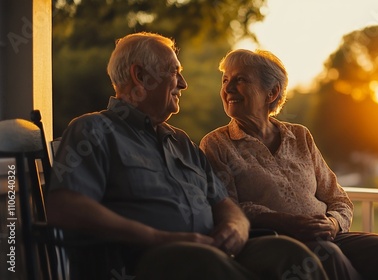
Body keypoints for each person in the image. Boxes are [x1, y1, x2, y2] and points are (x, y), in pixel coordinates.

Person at [45, 32, 329, 280]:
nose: (183, 84)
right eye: (174, 72)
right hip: (143, 262)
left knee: (288, 254)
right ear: (140, 76)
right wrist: (160, 238)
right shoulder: (94, 130)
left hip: (212, 254)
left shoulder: (180, 141)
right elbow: (65, 206)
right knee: (196, 261)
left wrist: (236, 227)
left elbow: (224, 204)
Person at [200, 49, 378, 280]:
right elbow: (227, 207)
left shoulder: (299, 136)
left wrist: (334, 224)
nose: (228, 88)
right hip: (274, 240)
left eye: (240, 80)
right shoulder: (217, 144)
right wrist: (287, 222)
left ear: (272, 92)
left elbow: (337, 198)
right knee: (327, 254)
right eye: (225, 80)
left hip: (326, 236)